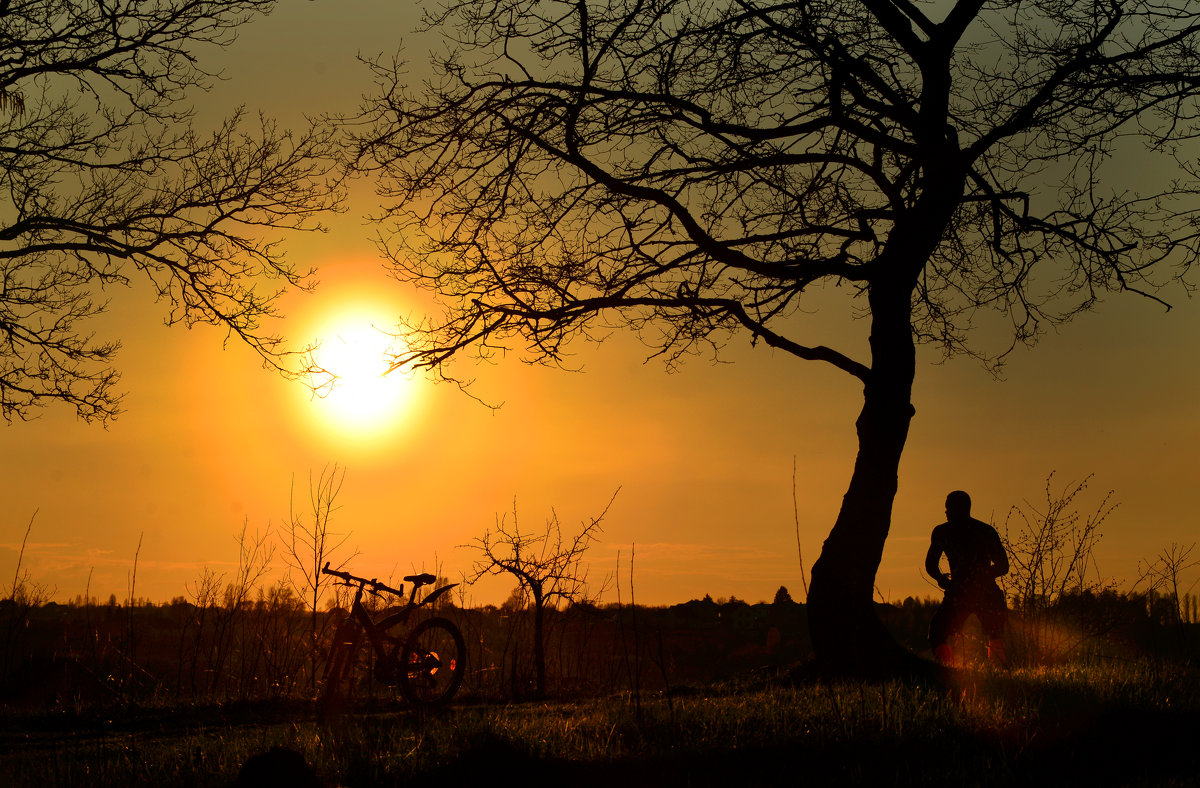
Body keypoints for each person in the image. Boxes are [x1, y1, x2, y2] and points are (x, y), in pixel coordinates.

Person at [925, 490, 1009, 666]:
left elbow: (1003, 565)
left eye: (949, 508)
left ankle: (998, 669)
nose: (946, 512)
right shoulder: (945, 532)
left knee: (996, 632)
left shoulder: (982, 531)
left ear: (960, 509)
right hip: (961, 591)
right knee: (937, 632)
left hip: (979, 591)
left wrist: (980, 578)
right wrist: (942, 579)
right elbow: (930, 565)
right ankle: (950, 668)